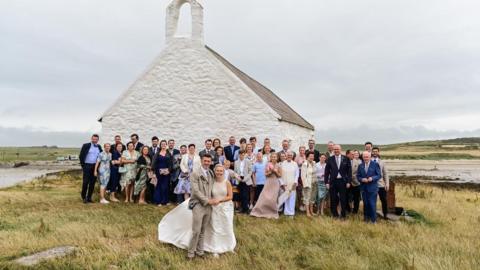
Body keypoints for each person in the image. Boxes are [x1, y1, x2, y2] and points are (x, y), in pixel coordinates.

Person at [158, 157, 236, 258]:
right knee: (196, 231)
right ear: (202, 161)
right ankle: (190, 254)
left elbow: (223, 194)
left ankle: (200, 252)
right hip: (200, 204)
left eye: (209, 161)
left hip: (211, 207)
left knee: (204, 230)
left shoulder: (210, 174)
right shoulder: (195, 173)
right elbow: (195, 191)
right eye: (205, 161)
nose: (207, 163)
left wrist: (215, 201)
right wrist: (208, 201)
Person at [250, 152, 282, 219]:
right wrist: (271, 172)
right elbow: (265, 174)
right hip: (268, 182)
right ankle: (259, 211)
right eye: (272, 157)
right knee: (264, 197)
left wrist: (275, 172)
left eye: (275, 157)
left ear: (277, 158)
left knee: (273, 198)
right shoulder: (268, 164)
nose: (274, 158)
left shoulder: (279, 165)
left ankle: (273, 212)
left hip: (275, 182)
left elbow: (280, 175)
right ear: (271, 158)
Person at [324, 144, 352, 219]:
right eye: (335, 149)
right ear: (333, 150)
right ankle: (334, 214)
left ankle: (343, 215)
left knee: (343, 199)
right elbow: (326, 172)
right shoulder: (330, 159)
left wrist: (349, 181)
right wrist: (326, 182)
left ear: (340, 150)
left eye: (338, 149)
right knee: (333, 198)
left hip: (343, 182)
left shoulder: (346, 158)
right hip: (333, 182)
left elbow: (349, 171)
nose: (336, 150)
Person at [357, 151, 381, 223]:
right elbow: (358, 176)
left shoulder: (375, 164)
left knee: (372, 204)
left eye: (367, 157)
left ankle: (373, 220)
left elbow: (379, 175)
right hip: (364, 188)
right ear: (362, 157)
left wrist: (372, 178)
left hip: (372, 188)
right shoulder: (360, 165)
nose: (366, 158)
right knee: (366, 204)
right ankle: (366, 219)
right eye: (364, 157)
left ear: (370, 157)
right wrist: (362, 179)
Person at [79, 134, 103, 204]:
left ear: (98, 140)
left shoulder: (99, 146)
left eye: (96, 139)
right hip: (87, 166)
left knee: (92, 183)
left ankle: (89, 197)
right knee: (85, 182)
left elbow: (102, 155)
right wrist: (83, 166)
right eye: (94, 139)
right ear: (91, 139)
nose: (95, 140)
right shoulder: (86, 145)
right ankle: (84, 197)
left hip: (95, 167)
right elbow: (81, 156)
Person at [279, 151, 299, 217]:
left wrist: (295, 182)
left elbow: (297, 174)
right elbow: (279, 175)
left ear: (292, 156)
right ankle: (285, 212)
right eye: (288, 155)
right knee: (284, 198)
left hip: (292, 184)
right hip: (284, 184)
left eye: (290, 155)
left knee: (292, 198)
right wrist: (282, 184)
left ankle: (291, 213)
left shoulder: (295, 164)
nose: (289, 156)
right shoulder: (282, 164)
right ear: (286, 156)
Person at [153, 140, 173, 206]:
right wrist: (154, 173)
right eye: (162, 144)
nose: (163, 145)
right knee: (159, 186)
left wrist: (169, 171)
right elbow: (154, 163)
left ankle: (165, 201)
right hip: (158, 172)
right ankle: (158, 201)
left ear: (166, 145)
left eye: (164, 144)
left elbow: (171, 164)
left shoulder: (168, 153)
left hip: (166, 173)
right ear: (160, 145)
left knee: (165, 186)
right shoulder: (157, 153)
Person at [372, 147, 390, 219]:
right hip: (372, 184)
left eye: (376, 151)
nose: (375, 153)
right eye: (373, 151)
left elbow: (385, 174)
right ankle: (373, 214)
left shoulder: (382, 162)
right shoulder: (369, 161)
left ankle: (385, 214)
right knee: (373, 200)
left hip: (381, 184)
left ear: (378, 152)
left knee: (384, 200)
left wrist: (387, 184)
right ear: (372, 152)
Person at [234, 150, 253, 214]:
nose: (241, 156)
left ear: (244, 155)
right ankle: (242, 209)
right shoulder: (236, 162)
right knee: (241, 195)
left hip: (246, 179)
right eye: (240, 154)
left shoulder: (248, 161)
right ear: (238, 155)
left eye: (243, 154)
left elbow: (250, 171)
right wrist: (238, 177)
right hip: (239, 179)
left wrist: (245, 178)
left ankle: (246, 209)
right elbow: (235, 172)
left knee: (246, 195)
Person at [301, 152, 317, 217]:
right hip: (308, 184)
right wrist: (305, 185)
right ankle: (307, 212)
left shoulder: (314, 163)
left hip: (314, 183)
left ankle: (311, 211)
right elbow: (303, 176)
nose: (312, 157)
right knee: (307, 198)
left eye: (313, 156)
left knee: (312, 198)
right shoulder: (305, 164)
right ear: (307, 156)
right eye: (310, 156)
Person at [346, 149, 361, 214]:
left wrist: (358, 180)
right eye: (352, 154)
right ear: (348, 155)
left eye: (354, 154)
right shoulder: (344, 161)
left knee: (356, 199)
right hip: (347, 183)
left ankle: (355, 212)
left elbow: (360, 172)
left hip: (356, 183)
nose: (353, 155)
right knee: (346, 197)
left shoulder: (358, 162)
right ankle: (348, 210)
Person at [167, 139, 181, 203]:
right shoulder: (165, 151)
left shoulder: (177, 151)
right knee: (167, 186)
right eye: (170, 143)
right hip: (167, 171)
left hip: (175, 172)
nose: (171, 144)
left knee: (175, 185)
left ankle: (175, 199)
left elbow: (179, 161)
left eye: (172, 143)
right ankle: (168, 199)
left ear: (174, 144)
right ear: (168, 144)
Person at [295, 146, 307, 211]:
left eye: (303, 150)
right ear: (299, 150)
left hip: (305, 175)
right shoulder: (297, 157)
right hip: (299, 175)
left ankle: (304, 205)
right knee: (299, 190)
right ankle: (300, 205)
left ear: (304, 151)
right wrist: (301, 163)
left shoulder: (306, 156)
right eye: (301, 150)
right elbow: (295, 166)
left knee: (304, 190)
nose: (302, 151)